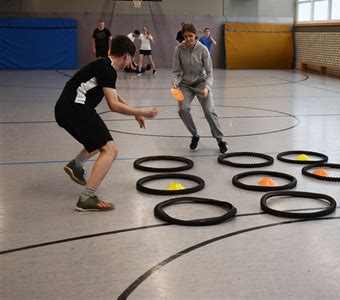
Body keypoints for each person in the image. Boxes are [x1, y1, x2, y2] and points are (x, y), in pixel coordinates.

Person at [55, 35, 158, 212]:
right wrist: (141, 111)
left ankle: (77, 165)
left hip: (65, 110)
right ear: (127, 56)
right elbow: (113, 105)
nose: (130, 63)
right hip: (76, 108)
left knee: (99, 139)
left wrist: (132, 110)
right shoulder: (107, 69)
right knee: (110, 150)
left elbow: (114, 95)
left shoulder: (103, 65)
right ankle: (87, 197)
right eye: (131, 59)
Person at [171, 23, 227, 153]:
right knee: (183, 109)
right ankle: (195, 135)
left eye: (191, 36)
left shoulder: (203, 50)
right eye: (185, 36)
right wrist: (174, 83)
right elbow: (175, 71)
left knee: (209, 112)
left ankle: (220, 140)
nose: (188, 39)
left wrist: (207, 87)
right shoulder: (178, 50)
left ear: (196, 36)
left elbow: (209, 72)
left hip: (201, 84)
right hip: (185, 85)